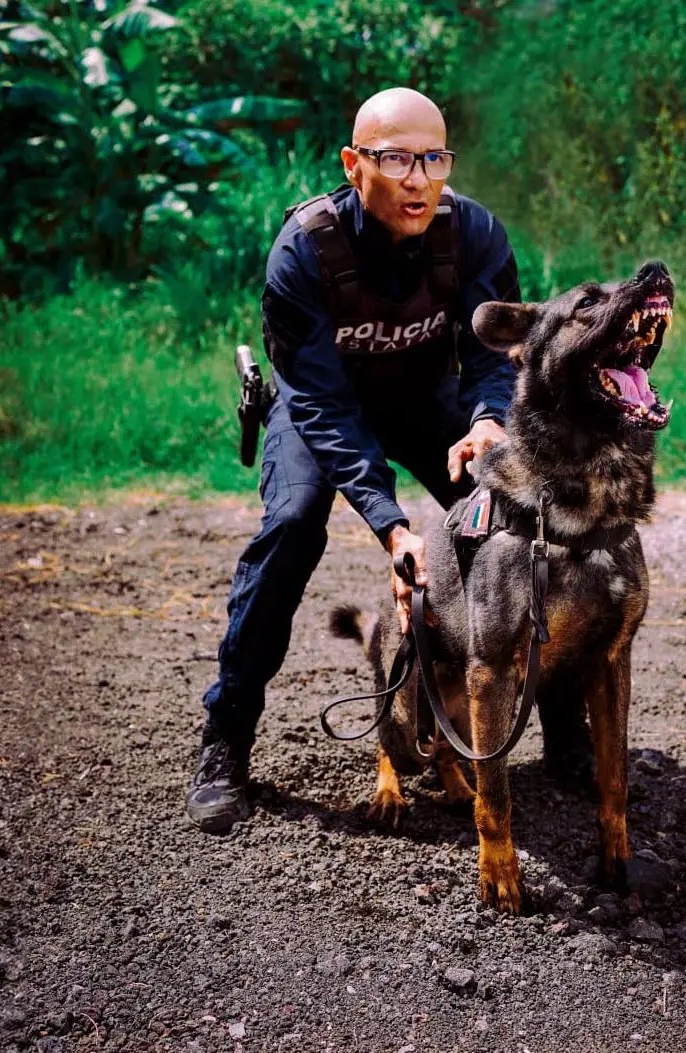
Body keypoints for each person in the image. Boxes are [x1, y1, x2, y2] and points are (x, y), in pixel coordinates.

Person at [186, 87, 522, 833]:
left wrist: (489, 420)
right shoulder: (303, 250)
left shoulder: (474, 235)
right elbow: (322, 409)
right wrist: (394, 528)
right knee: (294, 523)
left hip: (428, 404)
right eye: (396, 158)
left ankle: (559, 727)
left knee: (518, 513)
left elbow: (491, 353)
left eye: (433, 158)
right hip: (321, 409)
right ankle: (226, 738)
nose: (417, 178)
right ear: (353, 162)